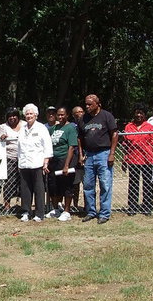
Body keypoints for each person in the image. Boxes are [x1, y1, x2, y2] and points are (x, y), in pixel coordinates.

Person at [78, 94, 118, 225]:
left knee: (105, 185)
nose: (87, 107)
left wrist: (112, 153)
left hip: (104, 153)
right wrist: (80, 154)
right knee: (88, 185)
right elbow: (80, 138)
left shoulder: (107, 116)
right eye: (86, 104)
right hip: (89, 155)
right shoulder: (83, 118)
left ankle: (104, 213)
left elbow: (114, 134)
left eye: (90, 104)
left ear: (97, 104)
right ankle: (91, 212)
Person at [17, 104, 53, 222]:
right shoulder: (22, 129)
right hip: (24, 164)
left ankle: (39, 213)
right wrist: (19, 163)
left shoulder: (41, 128)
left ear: (36, 115)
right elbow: (19, 147)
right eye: (27, 114)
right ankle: (26, 212)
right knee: (25, 190)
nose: (29, 116)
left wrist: (46, 162)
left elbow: (47, 146)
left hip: (37, 164)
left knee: (39, 189)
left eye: (31, 114)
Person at [122, 103, 153, 215]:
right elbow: (125, 144)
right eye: (137, 112)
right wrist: (124, 158)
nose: (138, 115)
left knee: (147, 183)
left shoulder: (149, 127)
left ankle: (147, 207)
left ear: (144, 114)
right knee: (133, 183)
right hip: (133, 159)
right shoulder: (128, 127)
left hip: (147, 159)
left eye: (141, 113)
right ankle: (132, 207)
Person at [47, 107, 78, 221]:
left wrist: (66, 165)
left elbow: (71, 147)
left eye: (62, 115)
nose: (60, 117)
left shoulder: (70, 128)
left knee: (67, 185)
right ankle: (56, 209)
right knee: (54, 186)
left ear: (67, 115)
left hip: (65, 159)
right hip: (53, 161)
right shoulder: (53, 128)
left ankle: (66, 211)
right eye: (58, 115)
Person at [0, 107, 23, 214]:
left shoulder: (24, 125)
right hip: (9, 158)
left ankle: (24, 205)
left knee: (24, 183)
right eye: (10, 116)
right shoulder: (3, 127)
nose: (12, 118)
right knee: (9, 182)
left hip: (24, 158)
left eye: (14, 115)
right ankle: (7, 206)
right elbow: (0, 137)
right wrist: (2, 137)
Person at [71, 105, 86, 211]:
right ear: (73, 115)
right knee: (75, 183)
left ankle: (87, 205)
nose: (79, 113)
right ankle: (75, 205)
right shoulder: (71, 126)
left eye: (81, 111)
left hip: (87, 155)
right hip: (75, 157)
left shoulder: (87, 123)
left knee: (87, 183)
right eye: (77, 112)